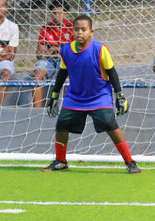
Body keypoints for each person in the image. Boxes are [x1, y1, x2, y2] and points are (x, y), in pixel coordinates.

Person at [43, 14, 141, 174]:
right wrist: (54, 95)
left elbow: (112, 72)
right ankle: (61, 161)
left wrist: (119, 95)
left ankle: (130, 161)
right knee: (61, 124)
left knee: (110, 124)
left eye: (83, 29)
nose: (79, 33)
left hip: (99, 96)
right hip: (75, 97)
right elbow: (62, 74)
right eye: (76, 30)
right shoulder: (66, 50)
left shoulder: (99, 49)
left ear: (91, 31)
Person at [32, 0, 73, 107]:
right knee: (37, 76)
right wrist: (52, 50)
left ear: (66, 14)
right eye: (54, 13)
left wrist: (59, 50)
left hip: (65, 60)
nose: (56, 15)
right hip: (48, 61)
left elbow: (75, 52)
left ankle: (66, 108)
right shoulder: (46, 29)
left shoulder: (71, 28)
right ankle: (37, 110)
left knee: (69, 78)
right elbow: (39, 54)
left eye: (60, 13)